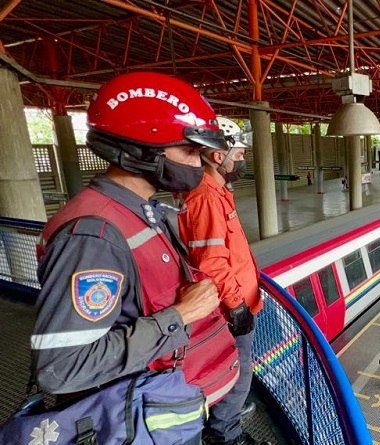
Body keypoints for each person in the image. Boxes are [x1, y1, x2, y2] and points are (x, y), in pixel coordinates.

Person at [32, 72, 240, 445]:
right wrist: (179, 316)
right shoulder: (92, 235)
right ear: (143, 151)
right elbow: (61, 369)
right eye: (190, 152)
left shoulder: (142, 211)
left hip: (159, 405)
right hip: (129, 419)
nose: (199, 164)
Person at [178, 141, 266, 444]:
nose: (242, 161)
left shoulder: (218, 193)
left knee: (235, 371)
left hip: (238, 300)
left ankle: (223, 426)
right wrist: (237, 305)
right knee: (238, 373)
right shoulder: (205, 197)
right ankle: (225, 436)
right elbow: (211, 261)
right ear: (219, 156)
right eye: (240, 155)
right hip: (230, 308)